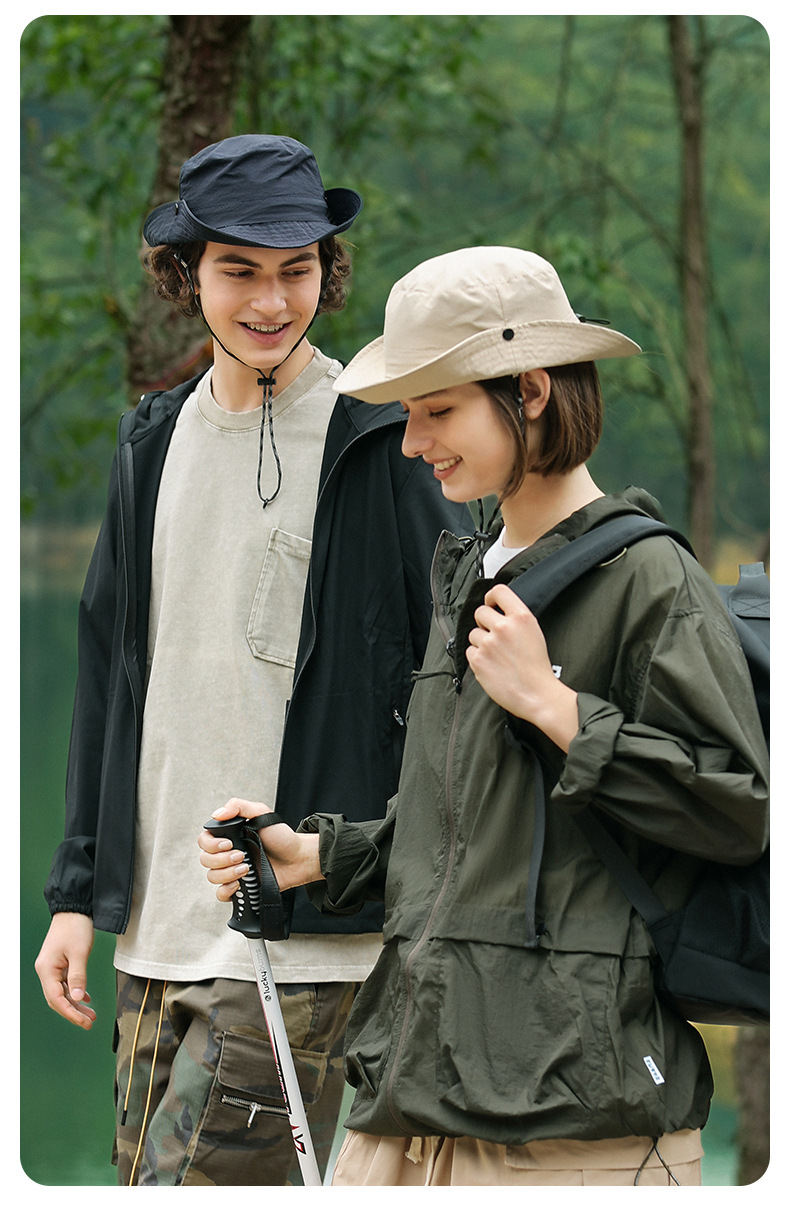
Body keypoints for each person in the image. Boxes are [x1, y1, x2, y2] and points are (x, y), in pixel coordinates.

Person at [199, 246, 769, 1187]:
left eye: (438, 411)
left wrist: (557, 706)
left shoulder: (650, 580)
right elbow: (463, 830)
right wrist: (318, 856)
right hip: (412, 1091)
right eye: (409, 414)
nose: (412, 443)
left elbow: (738, 809)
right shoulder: (468, 572)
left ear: (531, 390)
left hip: (572, 1119)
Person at [34, 135, 471, 1187]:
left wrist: (381, 868)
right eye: (240, 270)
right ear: (187, 275)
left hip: (300, 936)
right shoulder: (149, 442)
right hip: (155, 931)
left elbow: (451, 679)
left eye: (296, 270)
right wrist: (76, 895)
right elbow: (108, 682)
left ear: (328, 271)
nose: (272, 301)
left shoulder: (382, 440)